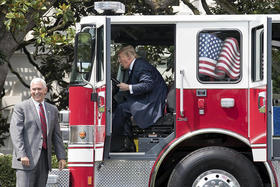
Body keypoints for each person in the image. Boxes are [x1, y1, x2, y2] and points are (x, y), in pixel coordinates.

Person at [10, 77, 66, 187]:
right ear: (30, 90)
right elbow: (16, 133)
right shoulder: (21, 107)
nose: (36, 92)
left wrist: (61, 157)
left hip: (44, 160)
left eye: (39, 89)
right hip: (25, 160)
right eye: (33, 89)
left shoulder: (52, 109)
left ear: (45, 90)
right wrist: (22, 154)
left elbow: (56, 135)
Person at [112, 45, 168, 152]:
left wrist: (128, 87)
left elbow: (147, 84)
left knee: (121, 108)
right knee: (124, 107)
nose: (119, 61)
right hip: (150, 98)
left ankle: (115, 140)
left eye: (120, 57)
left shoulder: (140, 66)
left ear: (129, 57)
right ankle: (127, 143)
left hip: (152, 102)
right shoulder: (136, 65)